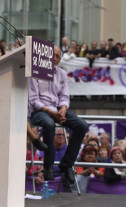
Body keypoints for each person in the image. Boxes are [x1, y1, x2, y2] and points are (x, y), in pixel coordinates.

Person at [29, 46, 88, 184]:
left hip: (57, 108)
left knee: (82, 125)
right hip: (40, 111)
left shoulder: (62, 73)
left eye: (57, 56)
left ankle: (66, 165)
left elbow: (64, 96)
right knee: (49, 124)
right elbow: (33, 100)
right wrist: (50, 112)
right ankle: (48, 166)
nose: (54, 58)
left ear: (60, 59)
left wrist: (62, 109)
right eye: (52, 55)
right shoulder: (35, 72)